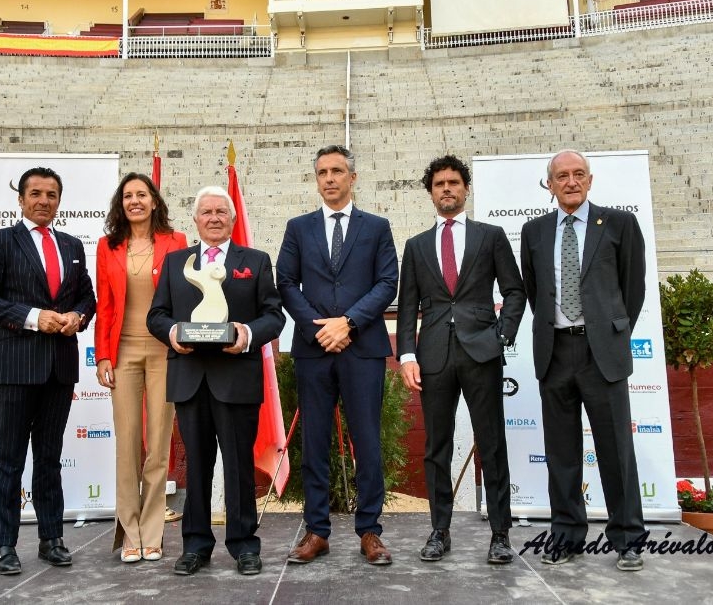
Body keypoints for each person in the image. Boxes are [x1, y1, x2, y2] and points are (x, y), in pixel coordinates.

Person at [146, 186, 285, 577]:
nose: (213, 217)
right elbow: (156, 315)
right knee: (198, 467)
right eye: (206, 212)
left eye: (221, 211)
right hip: (190, 378)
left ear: (233, 218)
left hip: (237, 378)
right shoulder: (176, 263)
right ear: (195, 220)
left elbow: (274, 316)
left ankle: (244, 545)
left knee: (239, 467)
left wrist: (246, 335)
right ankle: (195, 546)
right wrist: (173, 333)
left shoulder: (255, 262)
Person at [520, 149, 648, 571]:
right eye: (562, 176)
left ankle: (627, 537)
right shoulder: (533, 231)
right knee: (561, 452)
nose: (571, 182)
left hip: (602, 355)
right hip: (555, 352)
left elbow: (632, 289)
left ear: (590, 181)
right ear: (550, 185)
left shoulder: (619, 224)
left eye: (578, 175)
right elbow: (537, 291)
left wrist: (608, 332)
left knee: (615, 450)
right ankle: (567, 536)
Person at [395, 155, 526, 564]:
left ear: (465, 188)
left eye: (453, 182)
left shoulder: (491, 236)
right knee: (437, 447)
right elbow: (408, 308)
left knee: (492, 443)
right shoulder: (415, 246)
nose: (447, 189)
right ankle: (439, 530)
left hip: (481, 352)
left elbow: (515, 291)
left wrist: (501, 336)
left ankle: (500, 534)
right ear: (431, 192)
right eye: (439, 184)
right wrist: (407, 356)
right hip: (433, 356)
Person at [0, 166, 96, 576]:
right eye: (36, 193)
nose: (44, 201)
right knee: (9, 459)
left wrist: (78, 314)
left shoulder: (73, 245)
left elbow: (88, 298)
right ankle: (4, 545)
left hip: (60, 367)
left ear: (60, 200)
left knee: (50, 458)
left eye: (52, 194)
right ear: (20, 199)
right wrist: (32, 316)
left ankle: (51, 538)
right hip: (17, 365)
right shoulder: (0, 241)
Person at [276, 144, 399, 566]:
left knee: (366, 441)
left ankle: (370, 531)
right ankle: (317, 531)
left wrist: (347, 322)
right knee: (314, 444)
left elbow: (387, 283)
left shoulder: (377, 227)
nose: (329, 178)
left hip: (361, 347)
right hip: (314, 349)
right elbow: (286, 283)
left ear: (353, 177)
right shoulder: (298, 227)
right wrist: (320, 327)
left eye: (337, 171)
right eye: (322, 172)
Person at [94, 172, 188, 563]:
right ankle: (129, 533)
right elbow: (105, 306)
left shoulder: (176, 242)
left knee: (158, 445)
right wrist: (102, 356)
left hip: (164, 351)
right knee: (128, 445)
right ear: (122, 204)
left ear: (153, 201)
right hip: (124, 353)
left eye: (142, 194)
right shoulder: (107, 245)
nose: (135, 201)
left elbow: (184, 296)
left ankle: (152, 533)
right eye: (128, 195)